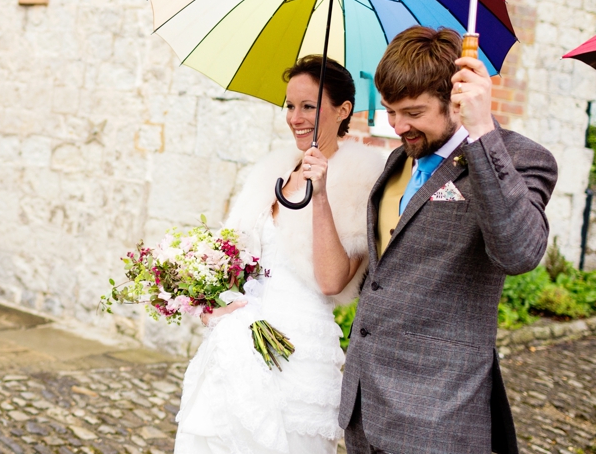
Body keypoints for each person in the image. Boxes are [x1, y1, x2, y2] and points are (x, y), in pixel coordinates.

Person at [339, 26, 559, 454]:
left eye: (414, 112)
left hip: (437, 414)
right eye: (390, 110)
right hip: (365, 404)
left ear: (455, 100)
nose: (399, 126)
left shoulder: (521, 160)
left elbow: (520, 252)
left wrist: (482, 135)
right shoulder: (398, 159)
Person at [174, 55, 385, 454]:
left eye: (309, 106)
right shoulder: (271, 171)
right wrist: (215, 300)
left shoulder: (360, 178)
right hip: (236, 347)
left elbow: (332, 281)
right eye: (290, 105)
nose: (295, 117)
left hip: (297, 351)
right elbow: (238, 260)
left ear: (343, 111)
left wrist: (320, 196)